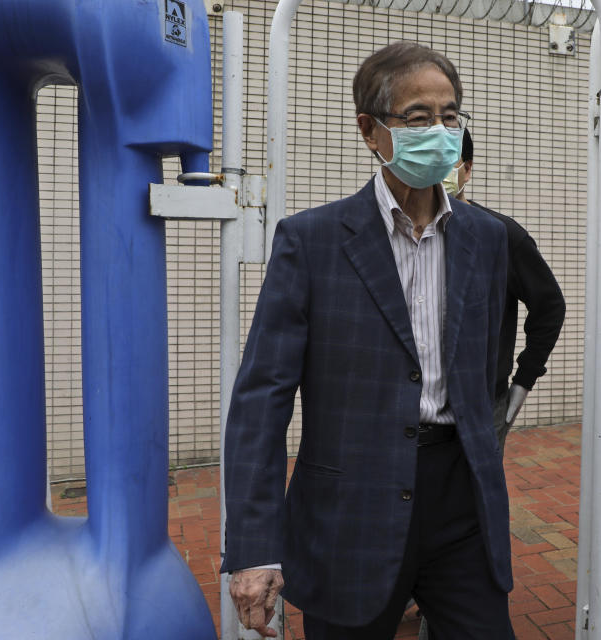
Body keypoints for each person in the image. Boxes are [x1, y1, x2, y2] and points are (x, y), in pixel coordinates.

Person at [220, 42, 515, 639]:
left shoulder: (486, 237)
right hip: (351, 506)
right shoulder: (313, 242)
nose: (439, 130)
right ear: (371, 131)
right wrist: (254, 546)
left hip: (461, 501)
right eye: (417, 117)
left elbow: (485, 360)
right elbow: (262, 399)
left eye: (450, 115)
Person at [443, 129, 566, 453]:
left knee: (476, 500)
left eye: (446, 161)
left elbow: (550, 305)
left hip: (483, 403)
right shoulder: (402, 232)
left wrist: (523, 382)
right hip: (409, 407)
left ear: (467, 168)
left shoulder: (499, 235)